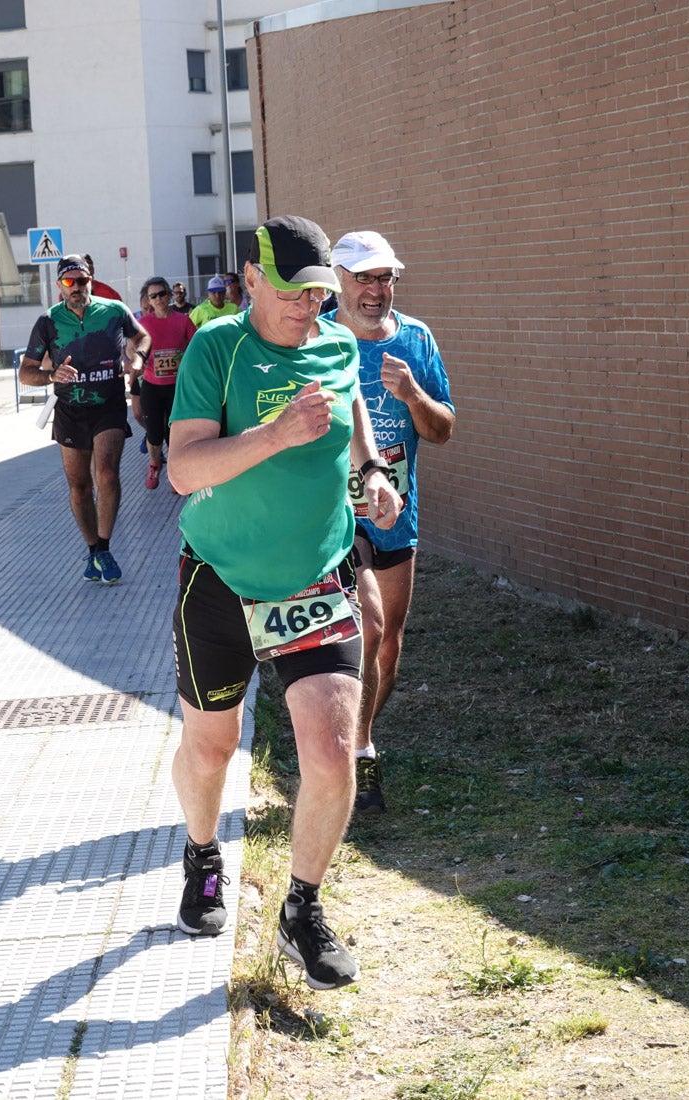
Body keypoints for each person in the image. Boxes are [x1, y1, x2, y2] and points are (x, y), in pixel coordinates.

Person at [167, 215, 402, 989]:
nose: (311, 309)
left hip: (317, 577)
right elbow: (184, 471)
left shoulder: (335, 344)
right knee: (212, 747)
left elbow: (352, 412)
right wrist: (273, 433)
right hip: (222, 578)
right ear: (253, 279)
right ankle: (203, 855)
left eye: (321, 295)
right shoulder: (216, 348)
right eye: (297, 293)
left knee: (332, 757)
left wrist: (371, 473)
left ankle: (303, 910)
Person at [329, 231, 455, 813]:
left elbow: (443, 429)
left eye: (386, 278)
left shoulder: (416, 339)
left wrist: (411, 397)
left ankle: (355, 737)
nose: (376, 290)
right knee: (370, 628)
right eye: (364, 278)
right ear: (338, 279)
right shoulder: (315, 337)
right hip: (335, 516)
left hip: (396, 516)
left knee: (388, 650)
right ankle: (354, 757)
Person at [19, 254, 151, 583]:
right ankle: (92, 549)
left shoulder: (114, 311)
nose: (76, 287)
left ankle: (104, 548)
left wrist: (137, 363)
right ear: (59, 286)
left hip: (107, 406)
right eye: (69, 282)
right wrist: (52, 375)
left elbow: (143, 338)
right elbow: (26, 372)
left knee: (107, 474)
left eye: (82, 280)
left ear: (91, 280)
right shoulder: (47, 321)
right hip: (69, 411)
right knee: (79, 486)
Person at [132, 276, 196, 489]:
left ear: (169, 295)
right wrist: (137, 360)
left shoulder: (182, 320)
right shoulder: (142, 324)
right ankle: (154, 463)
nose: (158, 299)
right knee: (154, 431)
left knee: (175, 432)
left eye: (161, 294)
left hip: (177, 387)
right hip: (152, 385)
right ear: (148, 301)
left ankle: (175, 474)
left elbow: (196, 346)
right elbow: (130, 348)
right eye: (153, 296)